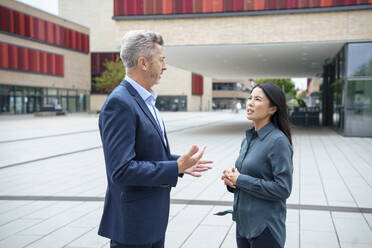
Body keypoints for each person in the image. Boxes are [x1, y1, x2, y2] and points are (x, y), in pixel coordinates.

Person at [98, 30, 212, 248]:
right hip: (134, 227)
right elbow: (121, 170)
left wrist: (180, 164)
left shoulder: (144, 100)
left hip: (150, 222)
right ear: (143, 63)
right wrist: (174, 166)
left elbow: (146, 153)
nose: (165, 67)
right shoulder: (120, 104)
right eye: (161, 60)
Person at [221, 82, 293, 248]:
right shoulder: (248, 138)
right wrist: (231, 181)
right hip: (243, 224)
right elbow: (245, 178)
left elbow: (283, 189)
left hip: (265, 228)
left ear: (272, 109)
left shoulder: (278, 141)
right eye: (250, 98)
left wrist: (241, 180)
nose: (250, 103)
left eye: (258, 99)